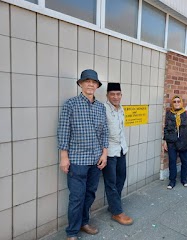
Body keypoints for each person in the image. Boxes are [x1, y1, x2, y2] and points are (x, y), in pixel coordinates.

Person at [57, 69, 109, 240]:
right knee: (76, 198)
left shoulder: (101, 107)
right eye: (87, 81)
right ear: (80, 84)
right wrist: (64, 157)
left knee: (90, 194)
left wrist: (104, 153)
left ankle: (84, 222)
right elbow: (63, 131)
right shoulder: (70, 104)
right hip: (77, 160)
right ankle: (71, 232)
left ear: (97, 86)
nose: (90, 84)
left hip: (96, 160)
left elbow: (104, 132)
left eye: (93, 82)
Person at [102, 82, 134, 225]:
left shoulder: (121, 109)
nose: (115, 97)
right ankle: (116, 212)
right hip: (108, 151)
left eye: (118, 94)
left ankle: (114, 204)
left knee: (121, 178)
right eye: (112, 94)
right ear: (107, 95)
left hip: (121, 149)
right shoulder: (103, 109)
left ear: (121, 95)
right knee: (111, 182)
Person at [163, 96, 187, 189]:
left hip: (184, 141)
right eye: (174, 101)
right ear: (172, 103)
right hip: (171, 142)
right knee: (172, 161)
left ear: (181, 103)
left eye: (178, 101)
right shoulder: (169, 114)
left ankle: (184, 179)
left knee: (185, 161)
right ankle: (172, 181)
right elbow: (166, 128)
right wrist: (165, 141)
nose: (176, 103)